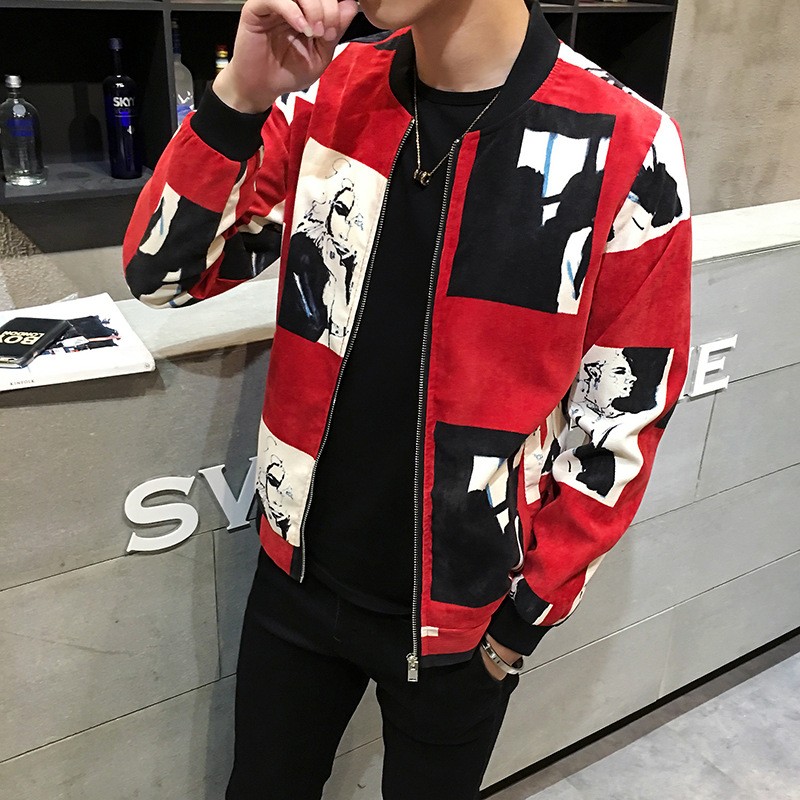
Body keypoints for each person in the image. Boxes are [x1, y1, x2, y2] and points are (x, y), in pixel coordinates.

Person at [122, 0, 692, 797]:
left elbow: (624, 416)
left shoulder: (625, 141)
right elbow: (164, 274)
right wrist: (243, 93)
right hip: (297, 580)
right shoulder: (333, 92)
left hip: (466, 623)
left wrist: (520, 623)